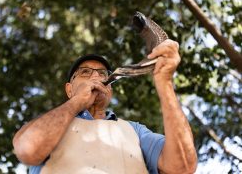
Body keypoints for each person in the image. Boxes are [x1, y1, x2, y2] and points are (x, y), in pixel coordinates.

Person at [13, 39, 198, 174]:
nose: (96, 77)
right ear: (69, 89)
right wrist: (78, 101)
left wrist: (164, 82)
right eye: (85, 72)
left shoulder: (135, 130)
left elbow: (182, 166)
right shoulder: (50, 126)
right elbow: (27, 149)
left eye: (103, 73)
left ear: (110, 87)